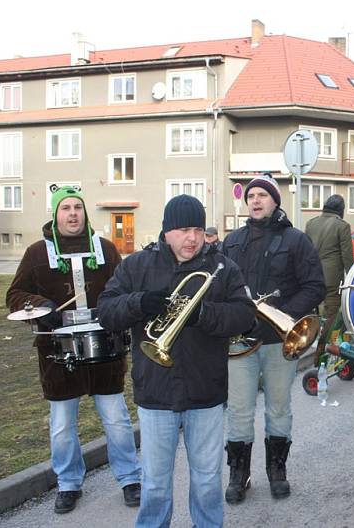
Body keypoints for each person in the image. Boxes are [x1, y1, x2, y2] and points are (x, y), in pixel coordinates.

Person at [97, 194, 255, 527]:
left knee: (207, 481)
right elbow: (107, 312)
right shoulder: (137, 266)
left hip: (205, 392)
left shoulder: (223, 267)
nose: (193, 238)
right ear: (167, 231)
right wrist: (139, 302)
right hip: (155, 392)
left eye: (198, 229)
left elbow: (245, 316)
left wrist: (202, 313)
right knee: (154, 484)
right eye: (184, 229)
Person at [6, 185, 141, 515]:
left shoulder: (106, 250)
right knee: (63, 425)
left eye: (77, 208)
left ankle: (130, 479)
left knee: (117, 420)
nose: (72, 214)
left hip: (104, 351)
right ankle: (68, 483)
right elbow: (15, 295)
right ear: (55, 214)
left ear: (84, 213)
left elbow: (124, 291)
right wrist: (40, 305)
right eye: (65, 208)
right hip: (57, 354)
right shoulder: (38, 253)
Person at [221, 174, 326, 504]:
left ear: (275, 201)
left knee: (279, 409)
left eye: (262, 195)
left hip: (280, 341)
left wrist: (281, 316)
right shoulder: (232, 241)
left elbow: (314, 286)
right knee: (239, 410)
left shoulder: (296, 240)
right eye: (250, 195)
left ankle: (277, 471)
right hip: (239, 342)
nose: (255, 200)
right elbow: (219, 288)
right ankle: (240, 474)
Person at [304, 194, 354, 362]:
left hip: (311, 277)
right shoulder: (342, 226)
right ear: (341, 210)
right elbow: (347, 257)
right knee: (331, 316)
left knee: (316, 314)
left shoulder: (311, 224)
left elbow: (305, 251)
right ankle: (321, 354)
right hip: (332, 280)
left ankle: (311, 344)